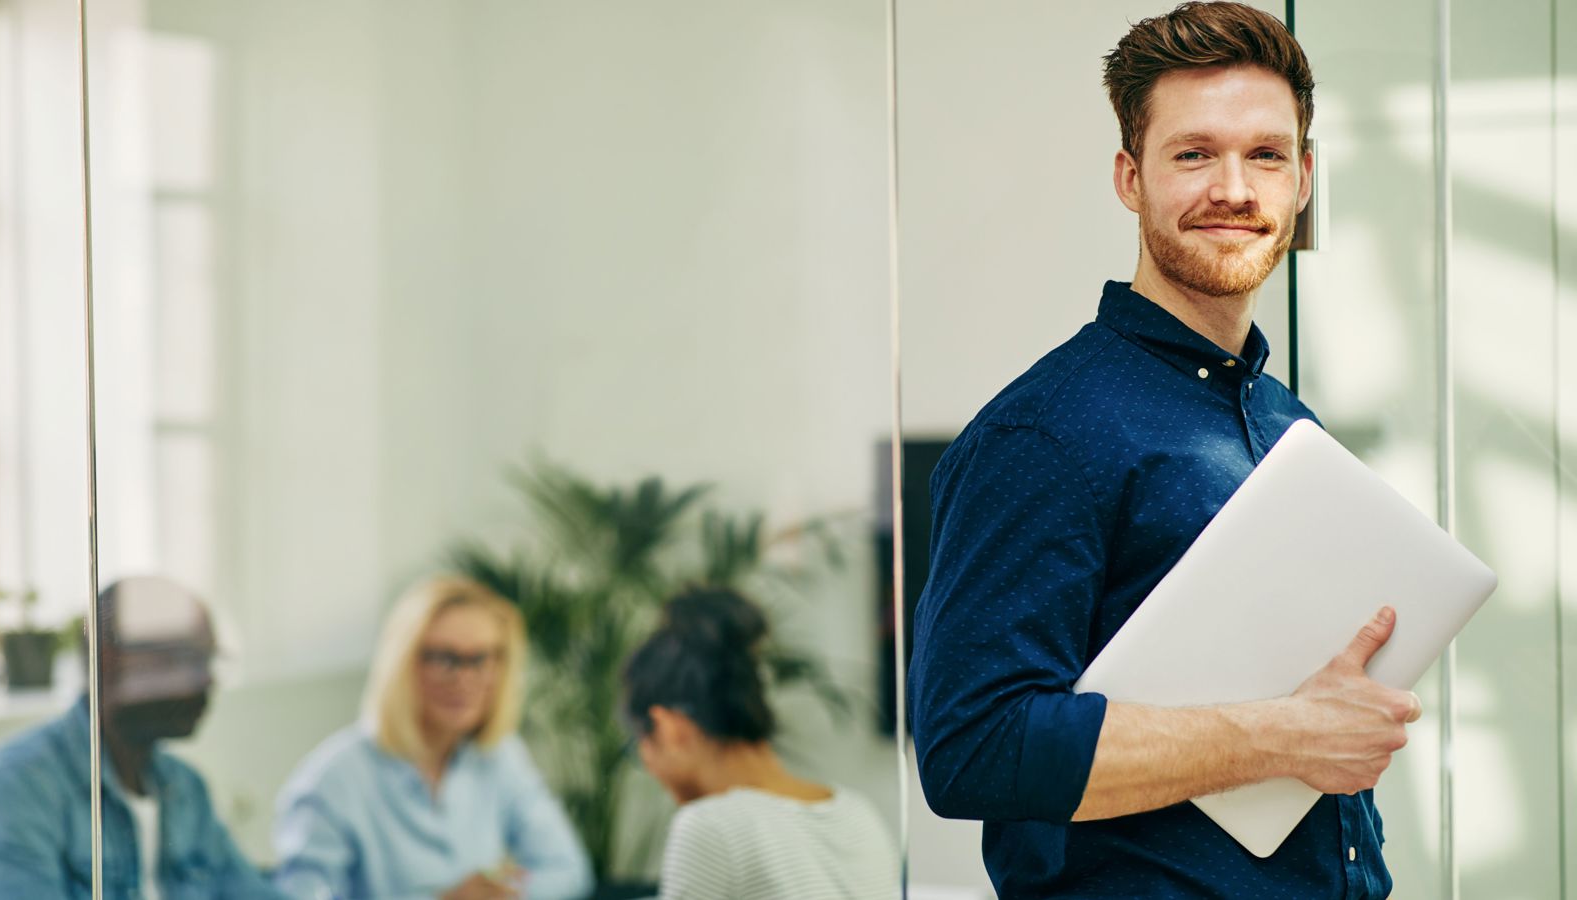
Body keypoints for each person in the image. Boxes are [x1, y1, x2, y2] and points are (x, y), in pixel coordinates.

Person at [907, 4, 1425, 897]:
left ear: (1303, 181)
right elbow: (973, 746)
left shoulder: (1287, 422)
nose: (1234, 187)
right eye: (1194, 154)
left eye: (1266, 155)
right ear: (1129, 178)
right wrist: (1285, 735)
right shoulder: (1044, 431)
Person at [272, 575, 591, 900]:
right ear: (402, 663)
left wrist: (504, 895)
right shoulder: (333, 779)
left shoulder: (501, 756)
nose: (463, 679)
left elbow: (567, 870)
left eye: (481, 659)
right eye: (444, 659)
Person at [0, 576, 284, 898]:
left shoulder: (184, 788)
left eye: (207, 660)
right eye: (188, 660)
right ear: (111, 663)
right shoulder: (16, 790)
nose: (206, 680)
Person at [621, 586, 897, 900]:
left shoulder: (709, 827)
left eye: (638, 746)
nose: (648, 767)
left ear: (669, 728)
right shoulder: (859, 813)